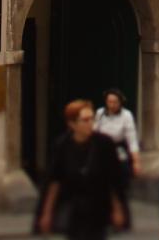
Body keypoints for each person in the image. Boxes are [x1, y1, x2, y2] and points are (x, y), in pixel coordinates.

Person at [38, 99, 126, 240]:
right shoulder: (63, 146)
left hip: (98, 207)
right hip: (73, 208)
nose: (90, 123)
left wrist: (118, 209)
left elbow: (113, 181)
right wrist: (47, 213)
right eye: (85, 120)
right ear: (72, 124)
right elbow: (55, 180)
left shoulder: (104, 144)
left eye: (92, 119)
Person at [95, 89, 140, 232]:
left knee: (119, 187)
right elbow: (95, 132)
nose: (112, 105)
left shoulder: (126, 115)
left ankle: (123, 218)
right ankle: (104, 218)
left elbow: (131, 138)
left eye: (115, 102)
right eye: (109, 102)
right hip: (102, 151)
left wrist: (136, 160)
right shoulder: (100, 113)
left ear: (120, 102)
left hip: (118, 151)